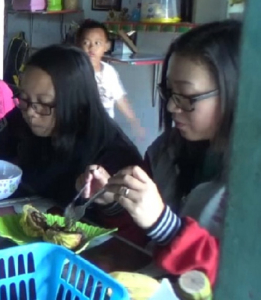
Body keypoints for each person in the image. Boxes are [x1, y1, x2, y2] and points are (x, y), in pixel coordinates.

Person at [76, 20, 241, 285]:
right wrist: (114, 201)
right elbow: (136, 240)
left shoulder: (250, 180)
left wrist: (165, 226)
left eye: (186, 96)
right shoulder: (167, 151)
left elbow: (236, 280)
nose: (173, 107)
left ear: (236, 91)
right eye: (169, 92)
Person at [0, 45, 142, 204]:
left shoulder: (114, 154)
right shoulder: (22, 115)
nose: (30, 112)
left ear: (77, 104)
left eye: (43, 103)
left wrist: (105, 202)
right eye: (24, 98)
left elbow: (123, 229)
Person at [77, 20, 144, 139]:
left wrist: (134, 122)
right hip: (81, 130)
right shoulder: (74, 71)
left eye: (97, 43)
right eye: (86, 42)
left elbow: (120, 99)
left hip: (105, 129)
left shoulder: (109, 72)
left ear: (106, 46)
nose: (91, 47)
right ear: (78, 44)